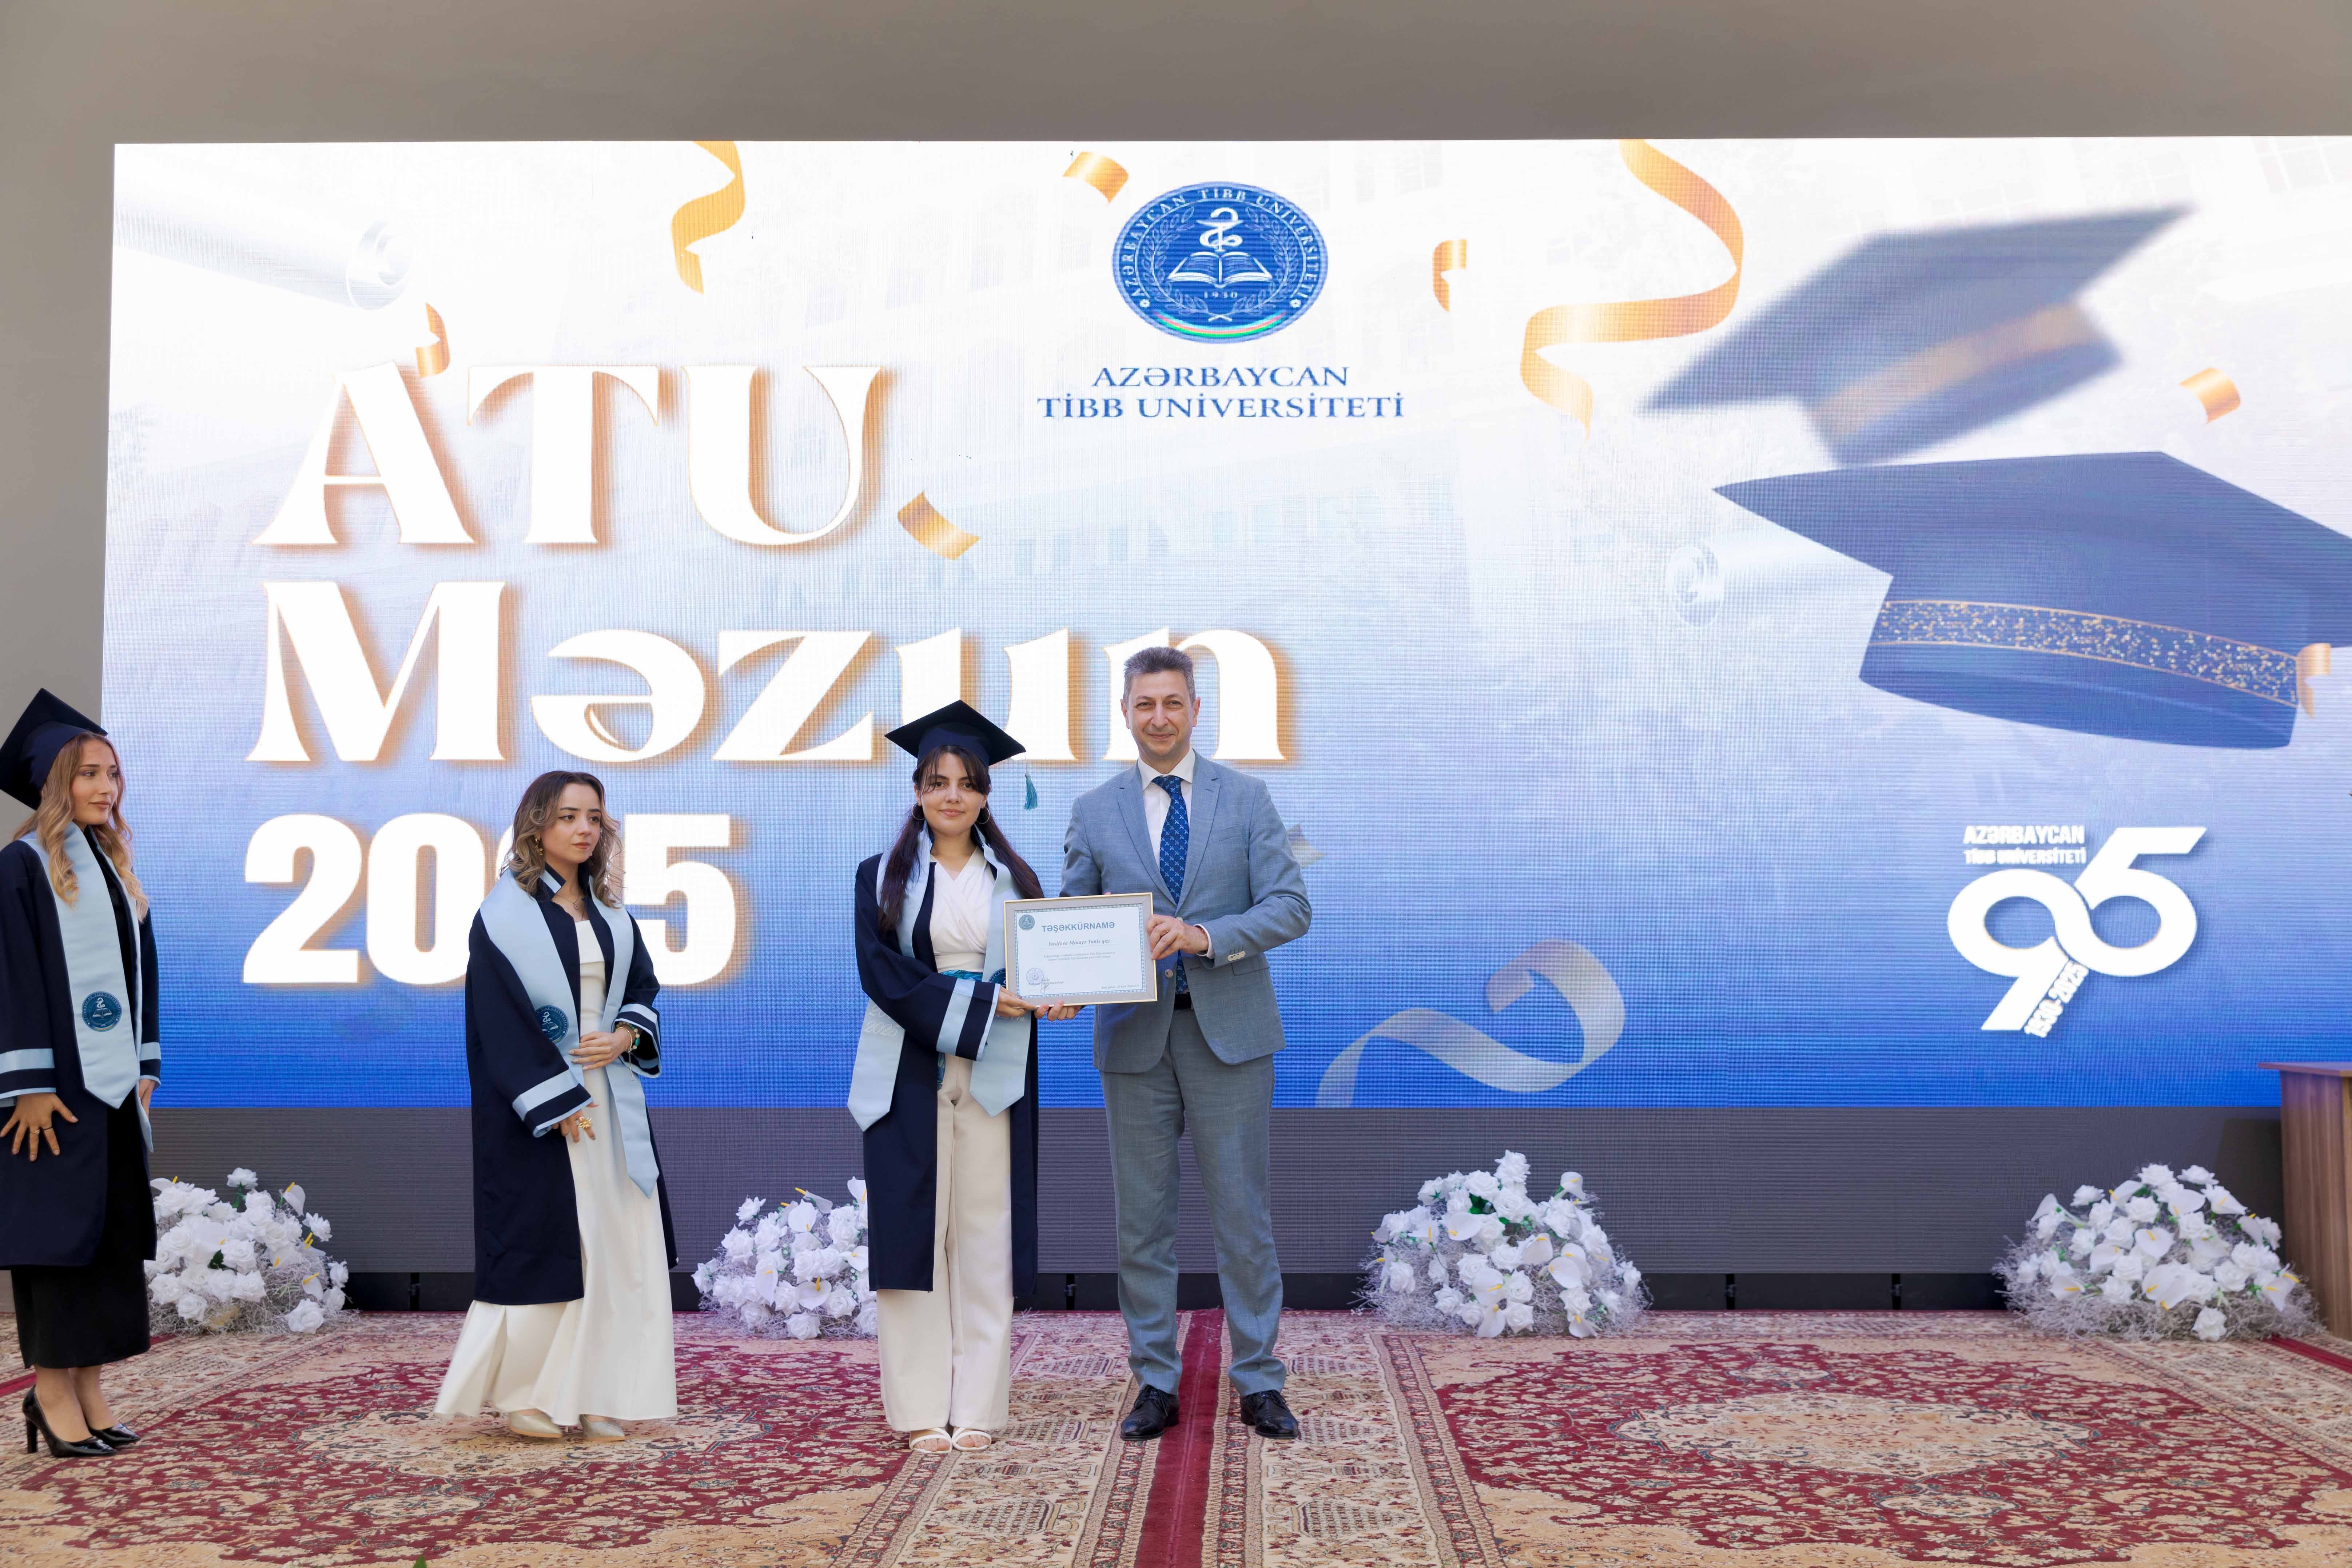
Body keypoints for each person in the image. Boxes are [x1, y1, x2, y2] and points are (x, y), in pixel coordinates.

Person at [1062, 647, 1311, 1441]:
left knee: (1243, 1218)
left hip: (1229, 1037)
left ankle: (1260, 1380)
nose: (1159, 717)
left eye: (1173, 703)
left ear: (1196, 710)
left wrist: (1204, 936)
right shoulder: (1093, 810)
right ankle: (1154, 1381)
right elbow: (1072, 921)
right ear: (1125, 712)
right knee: (1141, 1224)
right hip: (1133, 1041)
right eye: (1144, 704)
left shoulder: (1247, 798)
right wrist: (1061, 977)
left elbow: (1290, 906)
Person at [850, 700, 1076, 1453]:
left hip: (997, 1064)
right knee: (913, 1230)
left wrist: (1060, 994)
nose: (952, 795)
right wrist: (982, 1003)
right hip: (908, 1061)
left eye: (967, 783)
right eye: (937, 781)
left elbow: (1043, 968)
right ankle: (919, 1406)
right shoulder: (880, 876)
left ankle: (978, 1404)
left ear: (985, 794)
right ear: (917, 790)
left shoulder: (1017, 877)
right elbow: (880, 973)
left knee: (985, 1233)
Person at [434, 771, 675, 1441]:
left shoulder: (613, 916)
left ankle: (600, 1393)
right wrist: (556, 1100)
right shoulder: (503, 916)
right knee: (547, 1243)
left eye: (594, 817)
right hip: (539, 1107)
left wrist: (625, 1035)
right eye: (568, 816)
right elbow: (499, 1022)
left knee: (614, 1243)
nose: (584, 828)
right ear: (537, 826)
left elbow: (644, 989)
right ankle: (524, 1395)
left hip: (612, 1101)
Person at [0, 691, 162, 1460]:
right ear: (54, 783)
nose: (106, 787)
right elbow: (11, 979)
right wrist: (29, 1085)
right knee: (60, 1242)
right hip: (54, 1092)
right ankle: (51, 1393)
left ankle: (90, 1389)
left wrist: (146, 1062)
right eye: (90, 774)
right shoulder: (20, 867)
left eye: (113, 773)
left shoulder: (111, 865)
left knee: (109, 1238)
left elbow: (144, 970)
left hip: (113, 1089)